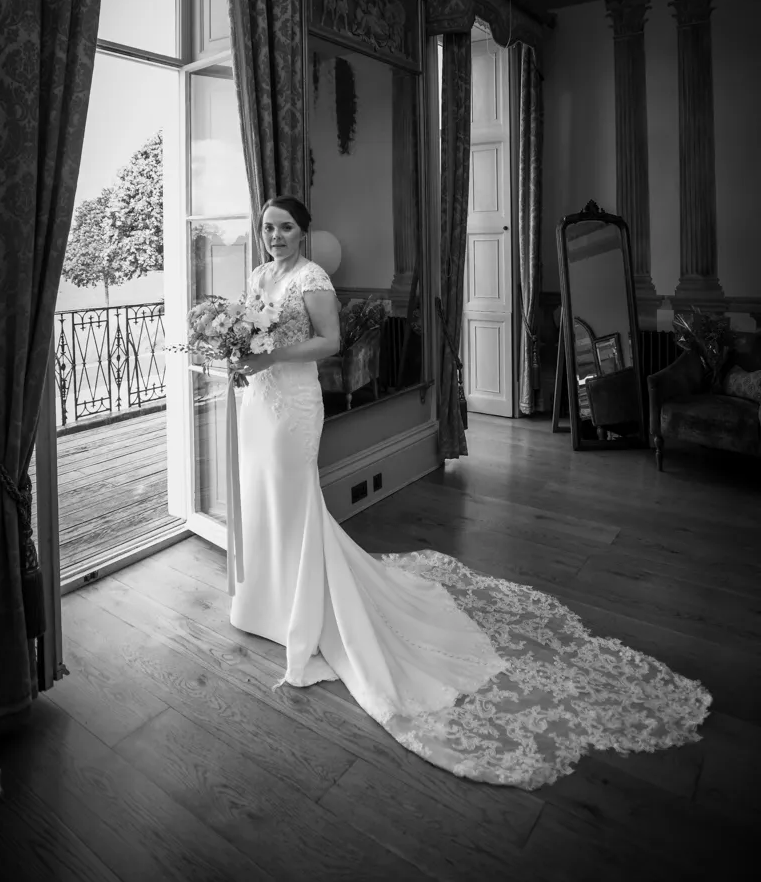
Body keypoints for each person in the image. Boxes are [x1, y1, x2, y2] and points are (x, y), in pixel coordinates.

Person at [230, 195, 711, 789]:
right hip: (256, 402)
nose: (275, 235)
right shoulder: (256, 276)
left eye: (285, 227)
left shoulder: (312, 276)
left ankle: (306, 609)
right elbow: (248, 332)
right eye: (268, 227)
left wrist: (269, 355)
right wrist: (240, 356)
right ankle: (271, 601)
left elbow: (329, 343)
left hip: (293, 404)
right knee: (264, 500)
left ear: (303, 232)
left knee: (295, 501)